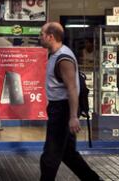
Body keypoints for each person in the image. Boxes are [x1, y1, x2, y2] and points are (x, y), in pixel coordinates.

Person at [39, 22, 100, 181]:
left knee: (50, 156)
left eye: (41, 34)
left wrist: (73, 116)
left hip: (63, 110)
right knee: (68, 154)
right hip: (58, 108)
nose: (40, 37)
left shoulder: (63, 58)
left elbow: (72, 88)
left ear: (50, 37)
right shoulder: (55, 54)